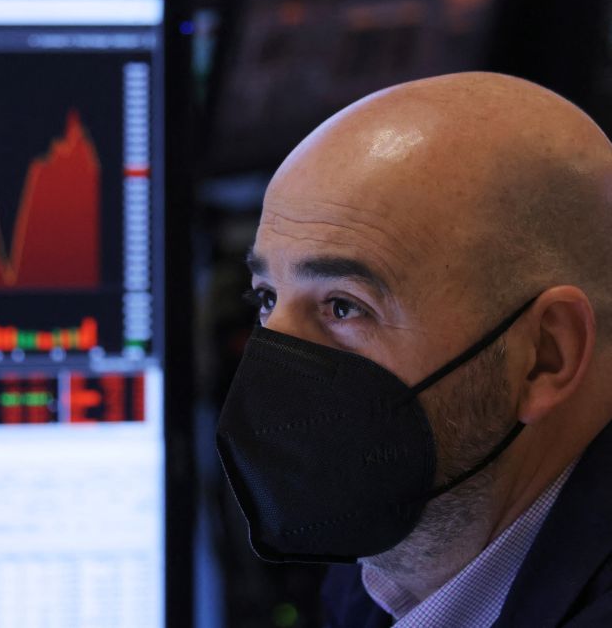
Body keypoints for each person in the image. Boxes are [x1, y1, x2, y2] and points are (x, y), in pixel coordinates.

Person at [215, 71, 612, 627]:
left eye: (343, 306)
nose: (271, 382)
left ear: (545, 356)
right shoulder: (379, 572)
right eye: (266, 298)